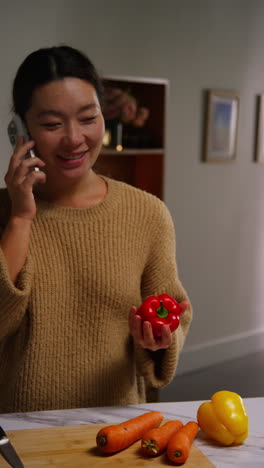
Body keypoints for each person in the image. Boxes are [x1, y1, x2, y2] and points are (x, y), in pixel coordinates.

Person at [0, 45, 192, 413]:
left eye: (88, 118)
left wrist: (159, 341)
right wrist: (21, 218)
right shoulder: (4, 214)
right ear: (21, 130)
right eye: (53, 124)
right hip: (16, 433)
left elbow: (174, 315)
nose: (74, 138)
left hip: (117, 428)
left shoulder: (147, 214)